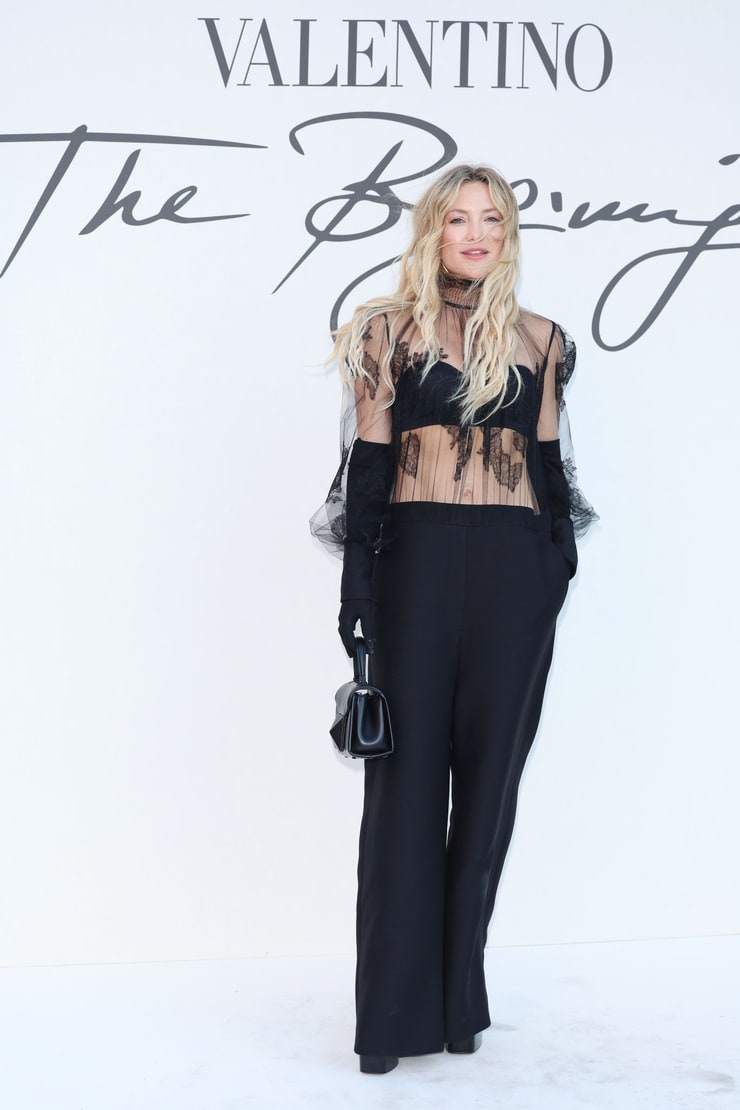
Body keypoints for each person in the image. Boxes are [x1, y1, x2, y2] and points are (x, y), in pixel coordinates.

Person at [310, 163, 598, 1075]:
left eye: (493, 220)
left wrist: (557, 564)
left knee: (487, 795)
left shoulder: (543, 339)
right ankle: (391, 1023)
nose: (477, 234)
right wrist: (358, 592)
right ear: (433, 229)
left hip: (516, 576)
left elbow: (550, 468)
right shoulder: (385, 331)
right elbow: (369, 467)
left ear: (508, 235)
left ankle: (458, 1007)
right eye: (459, 219)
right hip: (417, 569)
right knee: (403, 795)